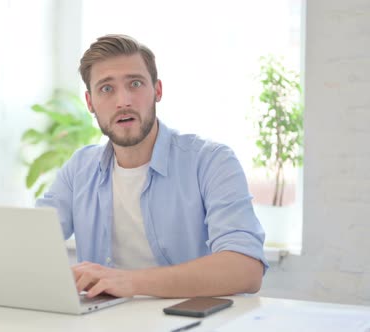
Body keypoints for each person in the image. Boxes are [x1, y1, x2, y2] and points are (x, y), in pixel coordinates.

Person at [36, 34, 267, 299]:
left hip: (190, 320)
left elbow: (245, 269)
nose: (123, 101)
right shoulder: (79, 169)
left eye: (135, 83)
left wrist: (130, 282)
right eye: (106, 89)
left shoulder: (211, 161)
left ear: (157, 90)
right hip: (104, 319)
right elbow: (31, 243)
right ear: (90, 102)